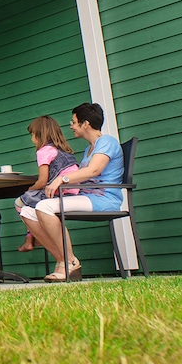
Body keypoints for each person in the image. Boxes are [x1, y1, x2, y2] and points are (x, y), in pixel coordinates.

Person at [20, 102, 125, 282]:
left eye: (74, 122)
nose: (71, 126)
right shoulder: (88, 149)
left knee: (44, 206)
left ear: (86, 124)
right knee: (27, 211)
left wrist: (63, 179)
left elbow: (93, 171)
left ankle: (69, 263)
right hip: (87, 196)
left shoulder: (107, 142)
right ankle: (64, 261)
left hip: (104, 198)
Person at [15, 115, 80, 253]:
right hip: (74, 192)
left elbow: (42, 181)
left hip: (59, 193)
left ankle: (34, 236)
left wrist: (29, 189)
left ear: (39, 135)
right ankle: (32, 238)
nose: (31, 139)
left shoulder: (43, 151)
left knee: (20, 202)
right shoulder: (64, 150)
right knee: (31, 205)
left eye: (32, 134)